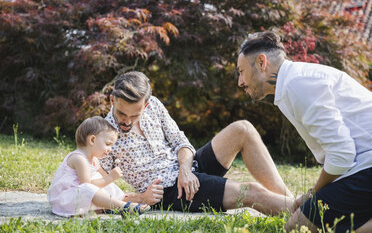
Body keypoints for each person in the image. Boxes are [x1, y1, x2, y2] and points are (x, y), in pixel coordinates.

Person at [100, 71, 293, 215]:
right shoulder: (102, 135)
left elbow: (179, 141)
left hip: (189, 168)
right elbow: (93, 190)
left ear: (146, 105)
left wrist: (185, 170)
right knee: (251, 192)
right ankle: (306, 215)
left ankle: (290, 200)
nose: (126, 121)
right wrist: (141, 198)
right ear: (112, 100)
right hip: (170, 190)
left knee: (242, 129)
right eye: (121, 113)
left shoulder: (154, 106)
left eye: (134, 114)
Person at [237, 31, 372, 233]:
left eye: (241, 71)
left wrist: (313, 194)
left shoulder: (297, 85)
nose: (240, 82)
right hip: (363, 165)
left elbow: (342, 154)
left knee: (298, 227)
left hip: (367, 167)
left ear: (261, 62)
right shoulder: (294, 81)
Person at [47, 116, 150, 217]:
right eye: (108, 144)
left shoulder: (95, 160)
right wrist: (110, 177)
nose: (110, 149)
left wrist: (111, 175)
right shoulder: (79, 159)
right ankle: (124, 207)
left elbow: (104, 179)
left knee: (108, 185)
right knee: (89, 188)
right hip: (65, 199)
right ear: (92, 140)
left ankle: (119, 202)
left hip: (79, 196)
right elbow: (87, 186)